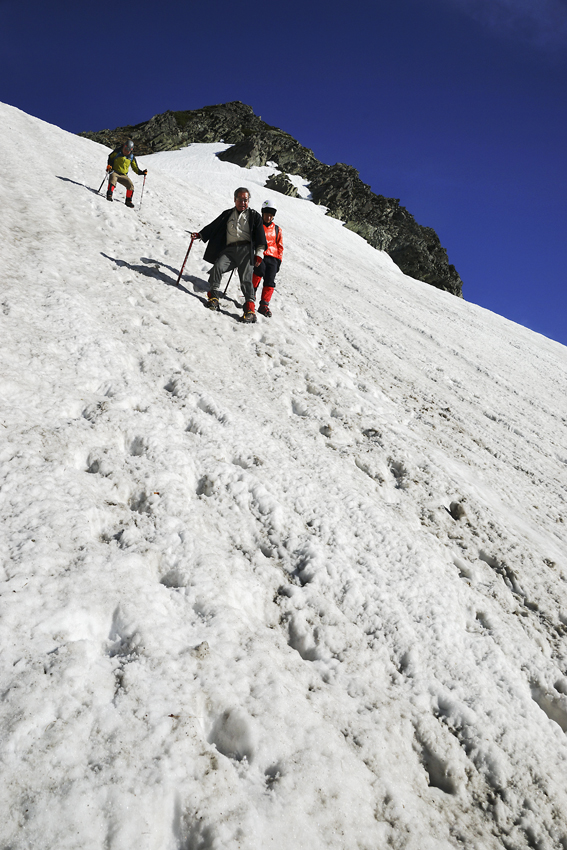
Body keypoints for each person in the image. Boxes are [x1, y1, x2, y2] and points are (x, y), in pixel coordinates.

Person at [192, 188, 267, 323]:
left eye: (245, 200)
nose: (242, 202)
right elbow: (213, 226)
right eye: (240, 199)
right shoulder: (227, 214)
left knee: (246, 279)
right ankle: (213, 298)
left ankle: (250, 310)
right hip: (230, 250)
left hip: (246, 250)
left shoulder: (254, 216)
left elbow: (261, 237)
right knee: (218, 267)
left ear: (248, 201)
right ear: (234, 199)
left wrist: (259, 254)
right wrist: (200, 234)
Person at [253, 200, 284, 318]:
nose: (269, 217)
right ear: (263, 213)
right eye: (267, 214)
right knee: (258, 272)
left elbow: (280, 246)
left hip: (273, 258)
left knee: (270, 281)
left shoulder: (277, 229)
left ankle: (264, 305)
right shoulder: (257, 225)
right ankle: (251, 295)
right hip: (260, 255)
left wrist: (279, 260)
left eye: (271, 215)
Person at [106, 139, 147, 208]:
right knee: (112, 179)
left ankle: (128, 201)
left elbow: (135, 168)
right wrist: (109, 166)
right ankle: (109, 195)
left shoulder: (131, 157)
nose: (126, 152)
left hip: (123, 175)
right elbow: (110, 157)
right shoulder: (117, 152)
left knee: (130, 185)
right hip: (114, 172)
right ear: (123, 147)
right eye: (125, 150)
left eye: (128, 151)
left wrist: (142, 172)